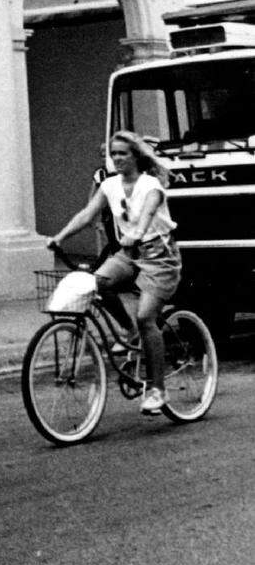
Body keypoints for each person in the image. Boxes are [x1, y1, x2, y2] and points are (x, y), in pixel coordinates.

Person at [50, 129, 181, 414]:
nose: (117, 159)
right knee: (98, 283)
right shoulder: (109, 185)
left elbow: (146, 214)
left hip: (159, 255)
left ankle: (157, 389)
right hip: (128, 253)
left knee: (148, 316)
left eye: (123, 153)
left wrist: (136, 233)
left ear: (136, 156)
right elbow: (87, 215)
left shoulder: (151, 185)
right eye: (114, 154)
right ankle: (128, 328)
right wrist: (59, 237)